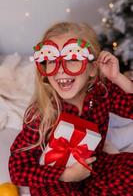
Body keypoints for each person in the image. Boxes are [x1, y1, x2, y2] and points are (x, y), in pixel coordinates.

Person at [9, 22, 133, 196]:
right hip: (55, 178)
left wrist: (118, 78)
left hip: (93, 166)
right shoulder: (41, 113)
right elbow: (18, 169)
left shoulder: (101, 92)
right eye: (52, 60)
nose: (60, 70)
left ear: (92, 68)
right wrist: (65, 175)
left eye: (72, 59)